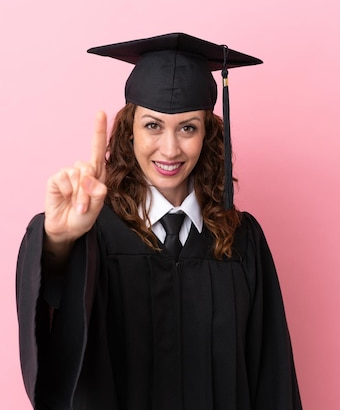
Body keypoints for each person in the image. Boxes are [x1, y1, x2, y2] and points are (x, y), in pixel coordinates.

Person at [16, 33, 302, 410]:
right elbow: (54, 326)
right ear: (128, 131)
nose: (170, 149)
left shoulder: (241, 240)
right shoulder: (95, 233)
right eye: (153, 126)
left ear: (208, 134)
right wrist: (58, 240)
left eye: (188, 127)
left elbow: (272, 374)